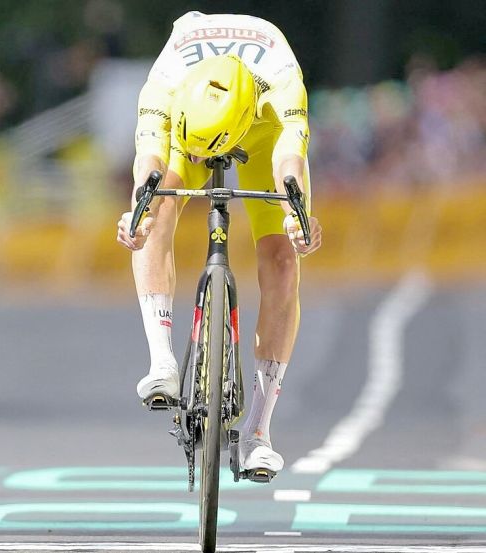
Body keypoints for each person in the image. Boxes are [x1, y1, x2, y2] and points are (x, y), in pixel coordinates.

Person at [116, 11, 323, 479]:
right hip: (190, 120)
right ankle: (162, 360)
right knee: (154, 208)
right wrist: (137, 214)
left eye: (202, 151)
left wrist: (298, 218)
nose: (198, 160)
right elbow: (148, 158)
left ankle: (258, 433)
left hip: (262, 130)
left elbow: (289, 159)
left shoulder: (283, 85)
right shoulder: (163, 84)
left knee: (283, 260)